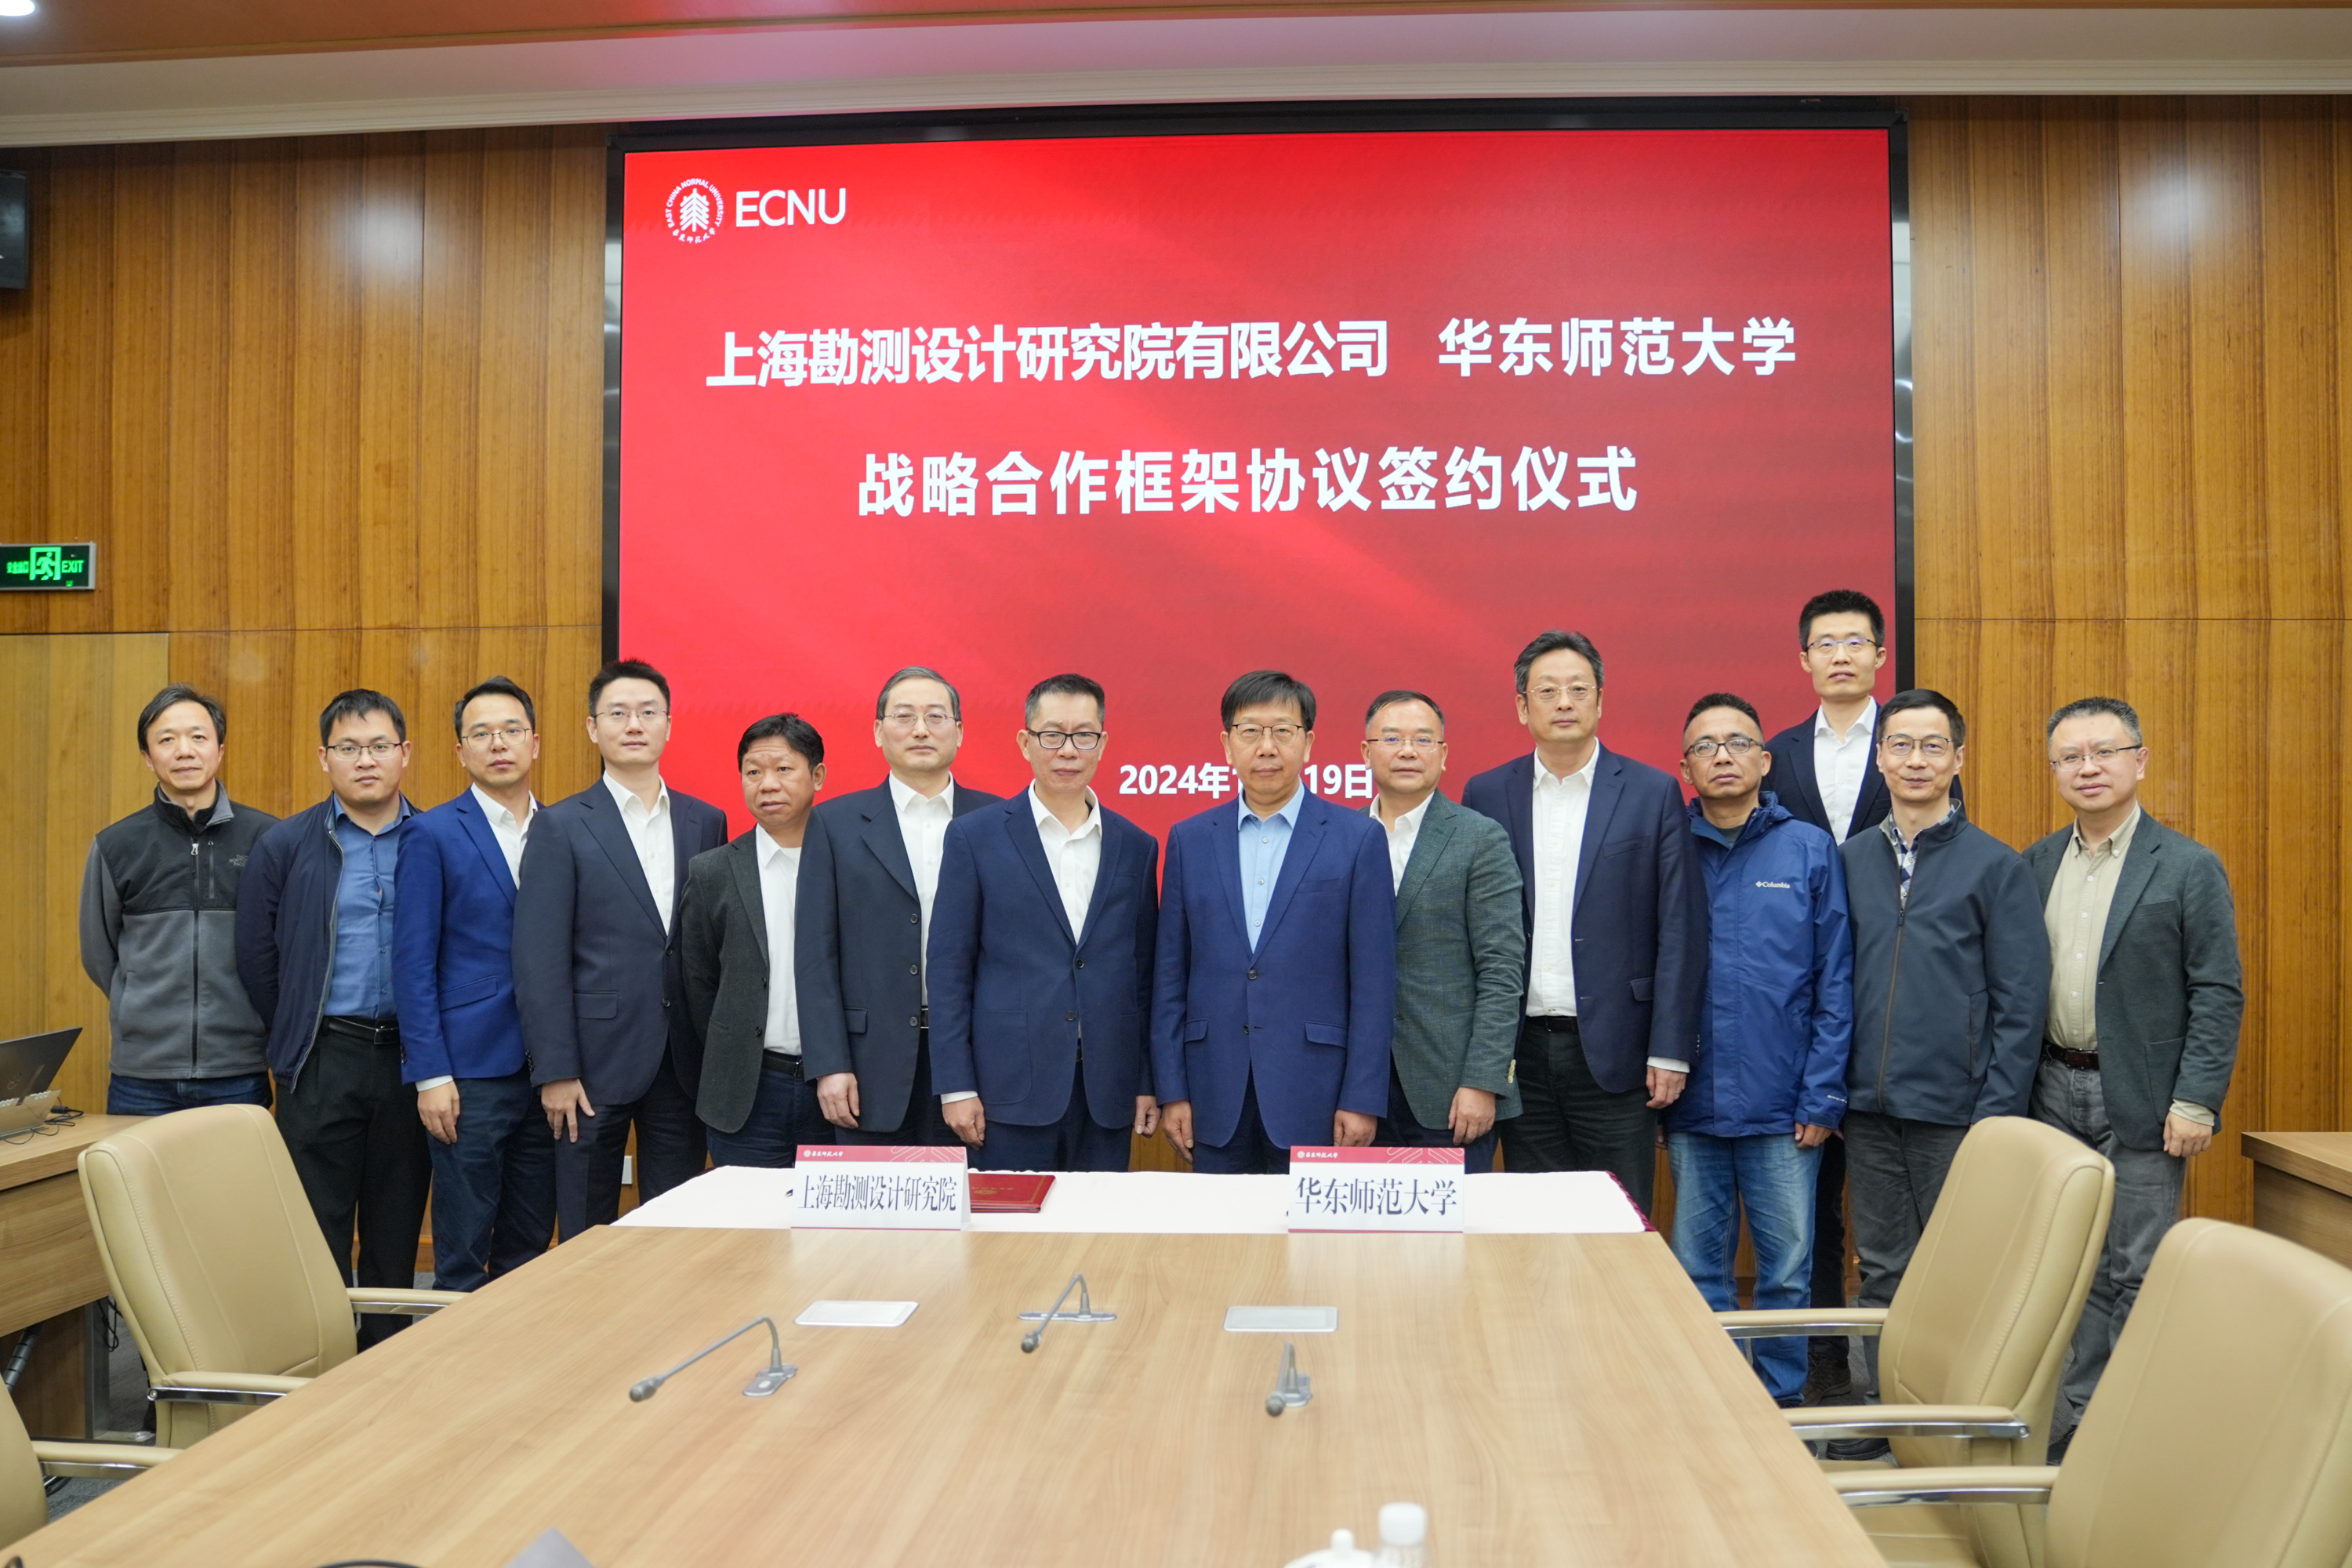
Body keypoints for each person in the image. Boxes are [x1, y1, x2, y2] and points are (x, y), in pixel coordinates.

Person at [2025, 697, 2241, 1460]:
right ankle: (2081, 1423)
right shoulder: (2036, 863)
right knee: (2073, 1266)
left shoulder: (2187, 865)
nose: (2087, 768)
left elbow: (2217, 990)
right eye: (2070, 757)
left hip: (2148, 1099)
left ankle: (2125, 1436)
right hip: (2052, 1090)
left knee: (2138, 1268)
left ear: (2140, 761)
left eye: (2104, 752)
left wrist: (2197, 1099)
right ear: (2054, 769)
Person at [1838, 687, 2045, 1450]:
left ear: (1958, 758)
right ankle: (1884, 1416)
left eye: (1933, 746)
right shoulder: (1850, 860)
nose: (1916, 760)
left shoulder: (1996, 866)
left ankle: (1953, 1426)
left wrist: (1995, 1116)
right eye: (1901, 744)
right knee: (1882, 1270)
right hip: (1868, 1111)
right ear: (1880, 757)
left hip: (1958, 1115)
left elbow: (2021, 1005)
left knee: (1965, 1275)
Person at [1761, 590, 1954, 1402]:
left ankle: (1913, 1376)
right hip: (1799, 1001)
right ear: (1804, 658)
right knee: (1811, 1200)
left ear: (1880, 653)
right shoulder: (1774, 753)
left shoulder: (1914, 744)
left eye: (1855, 641)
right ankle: (1825, 1363)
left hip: (1887, 996)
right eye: (1825, 643)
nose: (1840, 655)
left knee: (1893, 1212)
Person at [1461, 630, 1705, 1214]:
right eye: (1547, 691)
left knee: (1619, 1221)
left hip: (1619, 1052)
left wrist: (1670, 1050)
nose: (1564, 702)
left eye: (1578, 689)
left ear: (1600, 700)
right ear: (1522, 706)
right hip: (1519, 1053)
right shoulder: (1487, 793)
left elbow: (1680, 928)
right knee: (1536, 1223)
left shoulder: (1651, 792)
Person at [1664, 693, 1853, 1406]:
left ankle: (1780, 1405)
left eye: (1738, 743)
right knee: (1698, 1269)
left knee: (1786, 1272)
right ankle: (1713, 1404)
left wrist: (1823, 1095)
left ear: (1765, 761)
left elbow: (1836, 980)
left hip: (1786, 1107)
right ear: (1685, 767)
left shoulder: (1807, 848)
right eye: (1705, 746)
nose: (1723, 756)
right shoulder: (1668, 847)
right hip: (1693, 1104)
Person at [235, 690, 428, 1342]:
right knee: (318, 1229)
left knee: (396, 1226)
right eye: (348, 748)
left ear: (404, 753)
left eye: (378, 746)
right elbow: (257, 957)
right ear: (324, 758)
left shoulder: (435, 839)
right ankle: (325, 1364)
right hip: (321, 1057)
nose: (365, 761)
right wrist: (296, 1030)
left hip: (411, 1060)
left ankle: (387, 1361)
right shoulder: (285, 845)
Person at [514, 659, 728, 1236]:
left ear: (668, 725)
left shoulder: (706, 821)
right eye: (618, 713)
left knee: (676, 1229)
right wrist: (555, 1069)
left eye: (648, 712)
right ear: (593, 728)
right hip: (590, 1067)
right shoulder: (560, 825)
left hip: (683, 1062)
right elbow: (539, 959)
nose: (634, 724)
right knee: (586, 1231)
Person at [1152, 670, 1395, 1174]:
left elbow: (1374, 983)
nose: (1267, 747)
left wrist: (1362, 1096)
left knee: (1306, 1229)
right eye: (1250, 732)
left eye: (1283, 731)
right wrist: (1172, 1090)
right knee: (1220, 1226)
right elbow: (1170, 976)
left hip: (1319, 1092)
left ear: (1308, 743)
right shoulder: (1189, 840)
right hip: (1212, 1090)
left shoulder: (1357, 839)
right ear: (1227, 745)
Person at [928, 673, 1160, 1171]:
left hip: (1108, 1090)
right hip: (1007, 1087)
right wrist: (956, 1085)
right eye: (1052, 735)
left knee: (1098, 1220)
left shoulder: (1136, 845)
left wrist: (1146, 1080)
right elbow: (949, 970)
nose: (1068, 750)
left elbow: (1143, 976)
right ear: (1025, 742)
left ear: (1103, 744)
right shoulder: (975, 837)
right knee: (1010, 1222)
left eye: (1084, 735)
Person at [391, 677, 555, 1291]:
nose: (498, 743)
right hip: (469, 1075)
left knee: (531, 1246)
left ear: (534, 743)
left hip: (549, 1071)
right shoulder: (431, 833)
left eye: (511, 730)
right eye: (481, 734)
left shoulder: (564, 829)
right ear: (461, 751)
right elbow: (412, 963)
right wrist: (429, 1074)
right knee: (461, 1253)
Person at [797, 667, 1004, 1147]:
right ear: (878, 731)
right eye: (905, 716)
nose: (921, 730)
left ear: (959, 731)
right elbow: (815, 956)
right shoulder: (833, 823)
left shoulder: (1000, 821)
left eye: (936, 717)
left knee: (973, 1195)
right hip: (867, 1065)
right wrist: (829, 1064)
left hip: (980, 1059)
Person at [81, 684, 278, 1116]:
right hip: (141, 1078)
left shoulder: (268, 839)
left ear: (220, 750)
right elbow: (99, 955)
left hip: (238, 1070)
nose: (184, 751)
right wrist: (140, 1004)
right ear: (147, 757)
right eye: (167, 739)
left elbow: (284, 948)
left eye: (198, 737)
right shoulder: (116, 845)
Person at [1359, 689, 1524, 1174]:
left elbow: (1502, 970)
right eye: (1392, 738)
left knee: (1452, 1227)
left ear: (1444, 753)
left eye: (1423, 740)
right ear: (1366, 751)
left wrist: (1483, 1081)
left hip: (1451, 1093)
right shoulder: (1340, 837)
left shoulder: (1479, 838)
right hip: (1358, 1094)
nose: (1408, 751)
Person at [679, 713, 831, 1167]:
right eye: (753, 772)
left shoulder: (850, 862)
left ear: (817, 776)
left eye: (783, 769)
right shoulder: (712, 871)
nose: (767, 784)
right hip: (747, 1090)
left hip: (836, 1088)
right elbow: (699, 984)